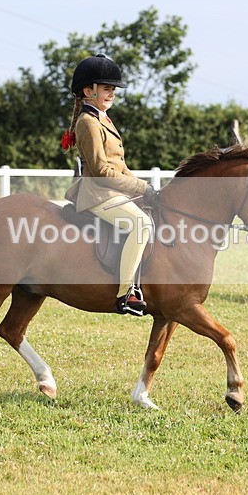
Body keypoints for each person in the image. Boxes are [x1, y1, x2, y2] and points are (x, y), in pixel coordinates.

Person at [62, 54, 157, 316]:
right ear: (87, 90)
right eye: (106, 88)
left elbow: (121, 166)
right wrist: (140, 188)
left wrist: (142, 187)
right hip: (98, 193)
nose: (111, 93)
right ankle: (126, 292)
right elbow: (102, 171)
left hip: (114, 190)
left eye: (113, 89)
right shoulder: (88, 123)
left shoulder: (104, 119)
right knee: (141, 224)